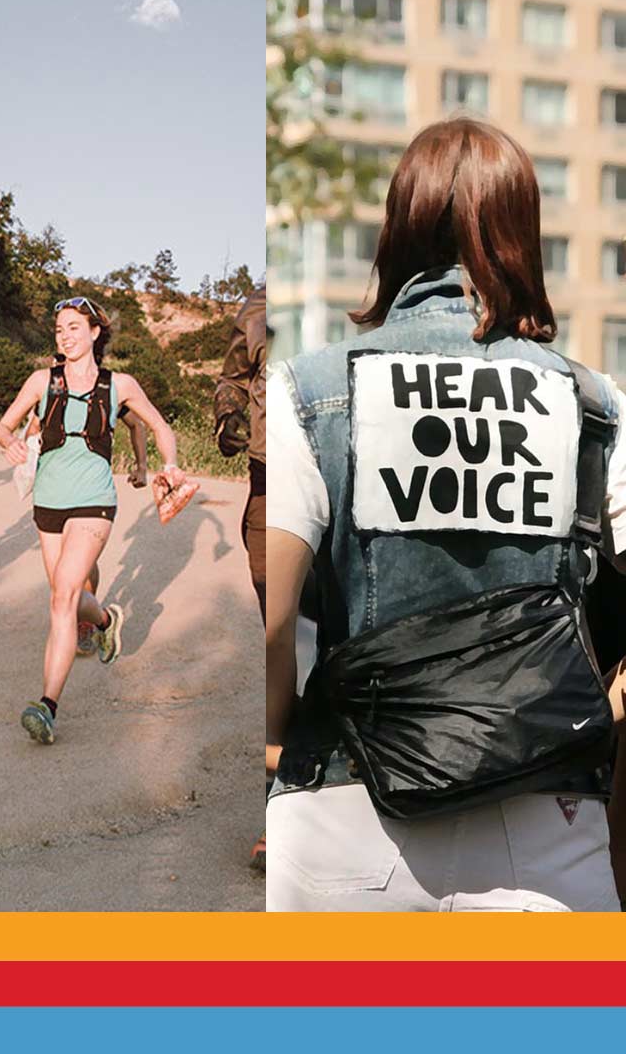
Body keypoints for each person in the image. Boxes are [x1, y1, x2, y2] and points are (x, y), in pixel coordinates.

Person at [264, 117, 626, 912]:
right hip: (546, 823)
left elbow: (270, 621)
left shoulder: (305, 389)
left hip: (342, 810)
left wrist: (277, 730)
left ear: (398, 228)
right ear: (521, 233)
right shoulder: (598, 406)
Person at [0, 297, 186, 744]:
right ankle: (104, 621)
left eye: (74, 328)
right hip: (47, 502)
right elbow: (4, 426)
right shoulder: (43, 380)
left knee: (62, 598)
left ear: (95, 333)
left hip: (95, 501)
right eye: (60, 329)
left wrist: (168, 464)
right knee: (68, 593)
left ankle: (47, 706)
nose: (65, 336)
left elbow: (158, 427)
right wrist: (9, 442)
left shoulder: (121, 384)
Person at [23, 358, 150, 657]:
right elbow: (31, 430)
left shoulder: (103, 390)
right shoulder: (48, 389)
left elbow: (137, 425)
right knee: (62, 575)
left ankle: (85, 621)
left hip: (91, 490)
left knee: (79, 563)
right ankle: (88, 612)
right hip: (54, 490)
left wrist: (142, 466)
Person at [213, 288, 269, 868]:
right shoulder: (258, 306)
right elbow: (230, 377)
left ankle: (292, 802)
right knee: (286, 644)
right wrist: (227, 413)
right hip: (266, 485)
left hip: (345, 485)